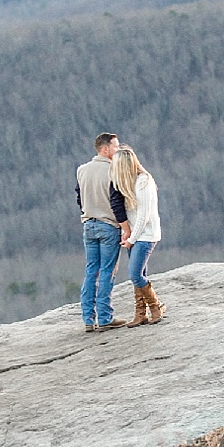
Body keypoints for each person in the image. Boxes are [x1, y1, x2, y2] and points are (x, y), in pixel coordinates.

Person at [75, 132, 129, 331]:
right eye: (116, 146)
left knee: (91, 270)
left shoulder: (82, 170)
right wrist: (125, 227)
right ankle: (105, 317)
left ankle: (88, 319)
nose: (118, 149)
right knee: (107, 271)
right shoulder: (113, 170)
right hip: (108, 225)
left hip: (88, 224)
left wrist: (89, 211)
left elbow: (79, 197)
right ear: (105, 149)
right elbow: (117, 203)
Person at [111, 145, 164, 325]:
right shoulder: (126, 183)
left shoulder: (143, 182)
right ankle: (140, 313)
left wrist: (131, 239)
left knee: (135, 274)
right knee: (140, 273)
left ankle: (156, 306)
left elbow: (143, 216)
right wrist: (126, 233)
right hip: (134, 234)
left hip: (145, 235)